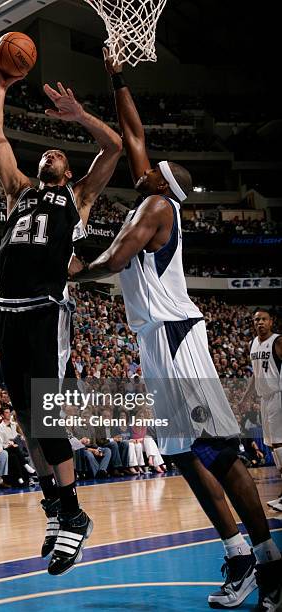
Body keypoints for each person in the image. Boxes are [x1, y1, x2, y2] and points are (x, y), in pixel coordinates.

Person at [70, 50, 282, 611]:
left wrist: (74, 270)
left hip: (175, 339)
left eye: (152, 166)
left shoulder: (158, 206)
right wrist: (116, 76)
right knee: (184, 455)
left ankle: (269, 563)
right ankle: (240, 554)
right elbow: (133, 130)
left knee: (218, 453)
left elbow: (115, 259)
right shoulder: (154, 195)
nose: (144, 162)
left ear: (163, 181)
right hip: (156, 343)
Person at [0, 56, 122, 576]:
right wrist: (0, 86)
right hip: (7, 312)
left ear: (67, 172)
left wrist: (78, 115)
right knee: (25, 420)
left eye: (58, 153)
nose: (49, 153)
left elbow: (112, 148)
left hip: (46, 311)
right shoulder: (19, 193)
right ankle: (54, 505)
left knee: (45, 416)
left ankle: (72, 512)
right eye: (46, 151)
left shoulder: (79, 197)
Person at [239, 308, 282, 512]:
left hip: (278, 395)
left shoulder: (278, 341)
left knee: (279, 443)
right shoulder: (253, 343)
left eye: (264, 319)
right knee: (273, 445)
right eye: (257, 320)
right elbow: (255, 374)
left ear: (271, 321)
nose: (260, 323)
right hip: (265, 399)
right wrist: (246, 396)